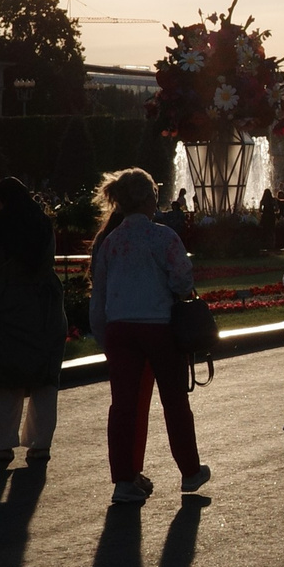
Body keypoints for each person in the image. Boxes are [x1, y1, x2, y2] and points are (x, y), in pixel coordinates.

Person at [86, 168, 209, 507]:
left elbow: (100, 294)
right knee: (174, 402)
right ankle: (189, 470)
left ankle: (124, 479)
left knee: (123, 406)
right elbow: (183, 282)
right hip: (159, 327)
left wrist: (103, 334)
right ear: (150, 199)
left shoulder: (110, 242)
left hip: (120, 329)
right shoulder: (163, 237)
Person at [0, 177, 67, 465]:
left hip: (7, 305)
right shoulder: (41, 221)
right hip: (44, 305)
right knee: (44, 377)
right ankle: (40, 443)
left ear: (2, 200)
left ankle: (4, 445)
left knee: (4, 376)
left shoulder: (1, 223)